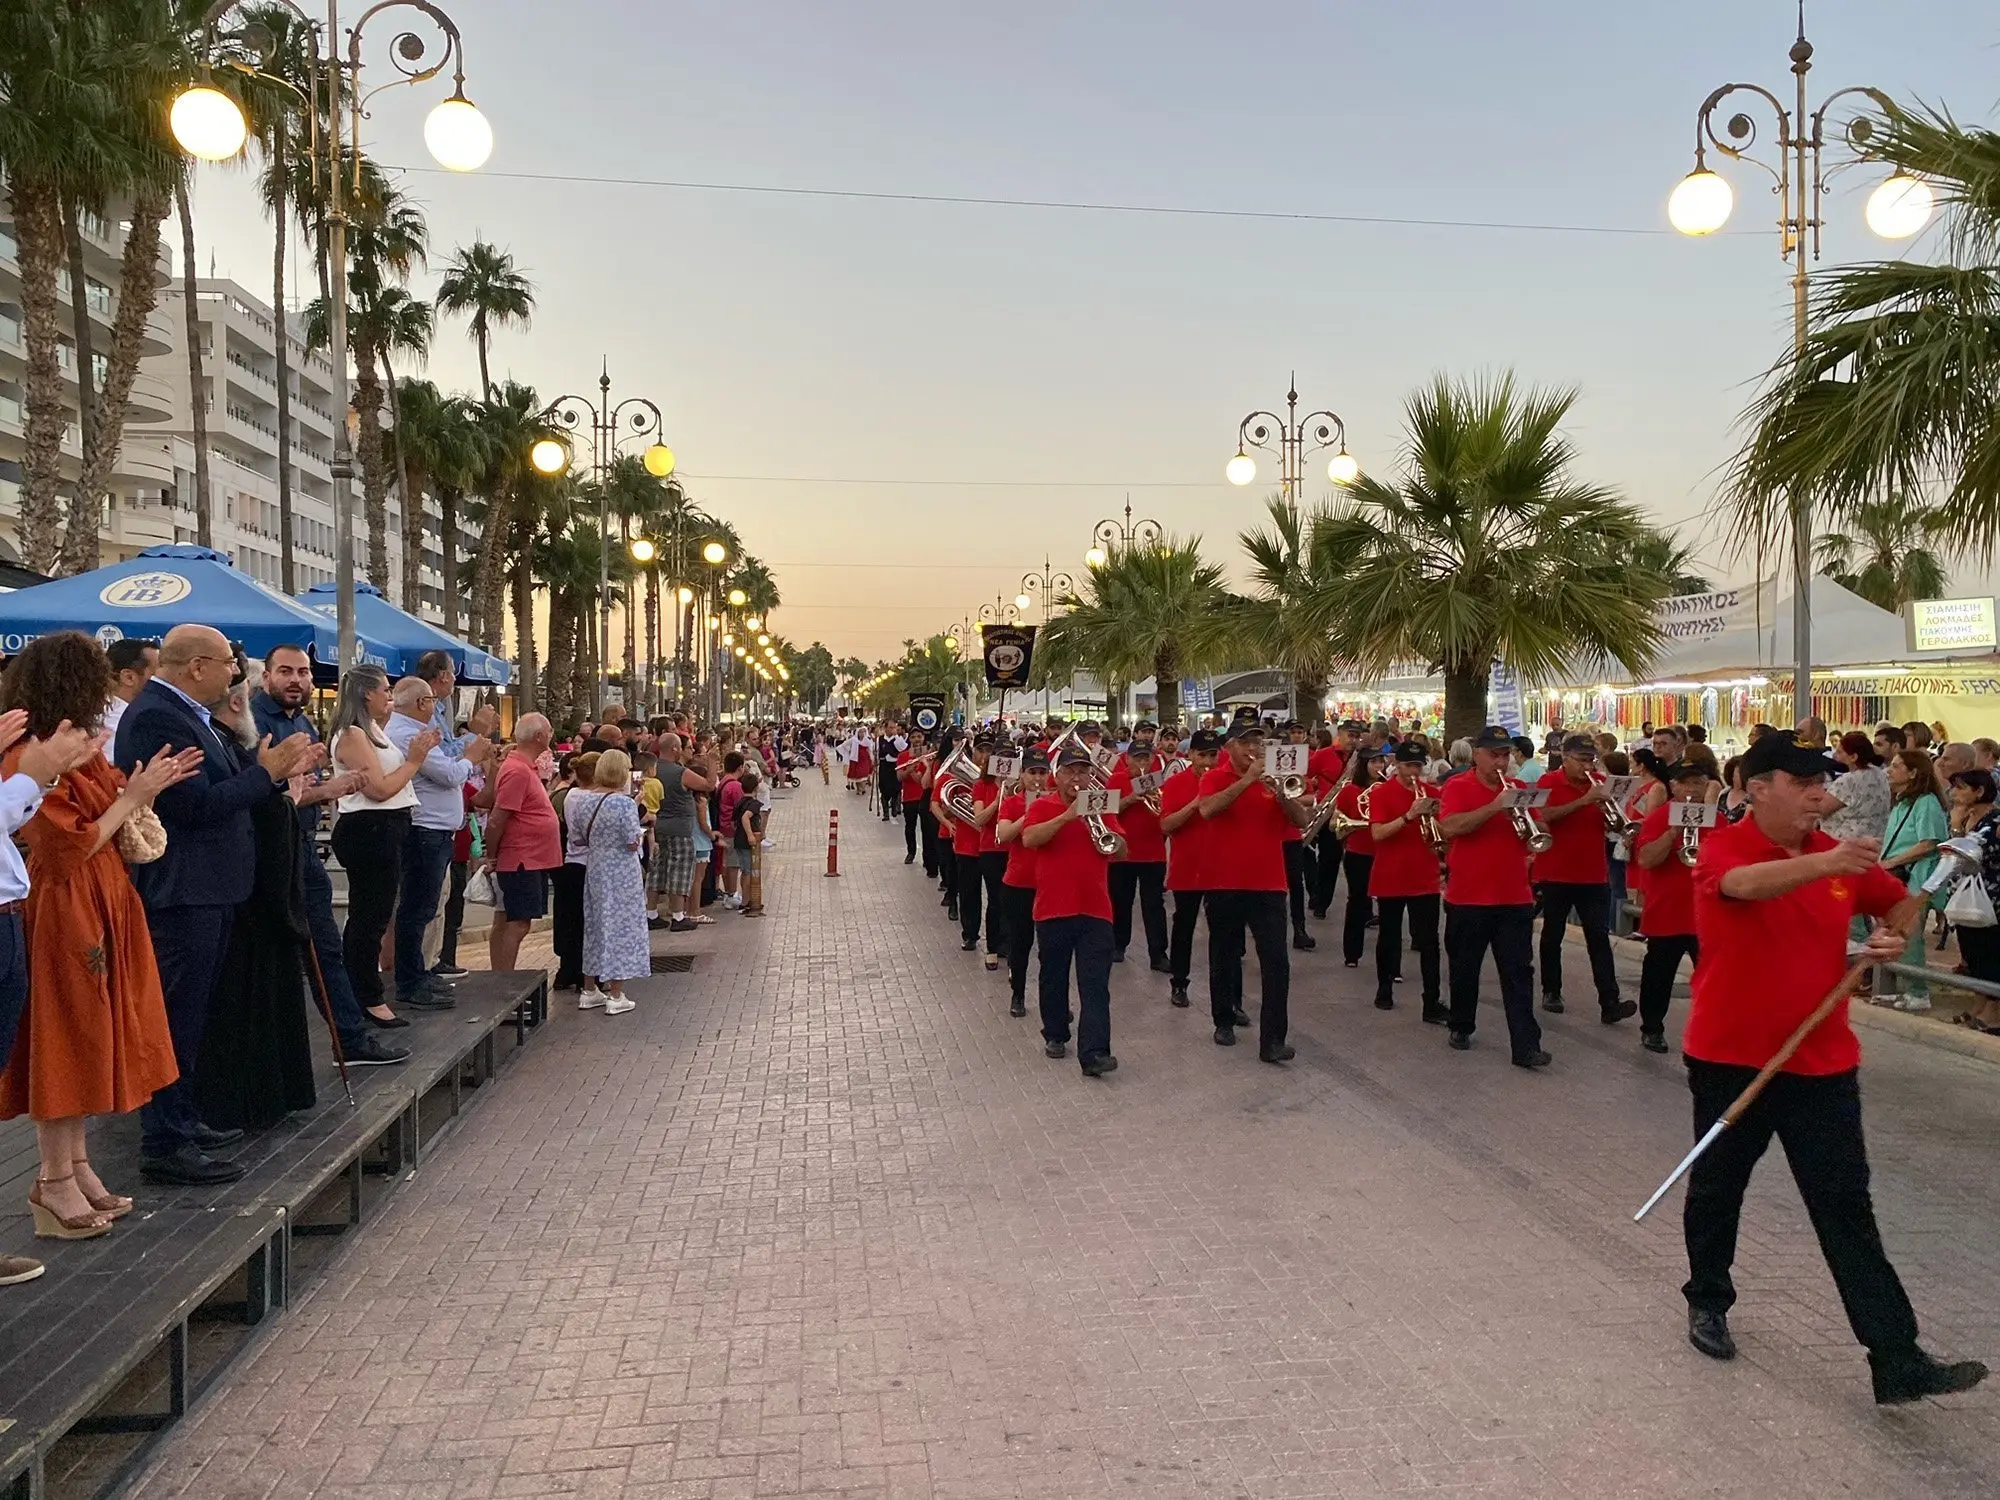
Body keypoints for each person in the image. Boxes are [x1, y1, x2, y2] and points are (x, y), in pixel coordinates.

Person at [1678, 729, 1987, 1404]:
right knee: (1718, 1187)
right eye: (1803, 783)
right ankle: (1708, 1299)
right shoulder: (1727, 847)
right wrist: (1830, 865)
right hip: (1732, 1056)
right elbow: (1743, 886)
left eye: (1823, 781)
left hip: (1822, 1061)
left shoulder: (1835, 854)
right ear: (1759, 790)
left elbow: (1901, 905)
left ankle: (1895, 1357)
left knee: (1845, 1204)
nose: (1821, 794)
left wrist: (1891, 934)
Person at [115, 623, 321, 1185]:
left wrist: (270, 776)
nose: (236, 672)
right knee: (176, 1015)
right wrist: (267, 774)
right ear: (197, 666)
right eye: (228, 662)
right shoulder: (158, 716)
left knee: (194, 1014)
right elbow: (197, 807)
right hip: (185, 891)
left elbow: (224, 789)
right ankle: (165, 1139)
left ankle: (183, 1118)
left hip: (212, 888)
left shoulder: (189, 715)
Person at [1, 641, 182, 1240]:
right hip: (65, 901)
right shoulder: (29, 758)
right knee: (68, 1029)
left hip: (101, 893)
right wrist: (133, 794)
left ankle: (75, 1164)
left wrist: (140, 789)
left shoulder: (75, 750)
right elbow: (68, 845)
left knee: (93, 1026)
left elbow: (111, 819)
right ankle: (53, 1177)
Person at [250, 646, 406, 1065]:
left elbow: (301, 789)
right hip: (266, 856)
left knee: (326, 947)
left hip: (301, 849)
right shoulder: (252, 724)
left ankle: (350, 1039)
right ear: (266, 677)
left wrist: (321, 790)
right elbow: (264, 795)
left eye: (302, 672)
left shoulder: (300, 721)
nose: (296, 680)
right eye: (285, 671)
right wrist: (327, 791)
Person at [192, 669, 319, 1132]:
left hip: (254, 890)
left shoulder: (232, 742)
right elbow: (217, 803)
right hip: (232, 893)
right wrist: (277, 783)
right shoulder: (221, 741)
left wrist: (285, 789)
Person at [1198, 721, 1314, 1063]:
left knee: (1277, 962)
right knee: (1224, 954)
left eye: (1259, 741)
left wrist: (1283, 794)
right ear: (1230, 746)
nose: (1254, 748)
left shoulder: (1275, 778)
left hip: (1268, 883)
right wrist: (1247, 781)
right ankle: (1223, 1020)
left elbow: (1301, 821)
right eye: (1247, 742)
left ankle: (1273, 1041)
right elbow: (1207, 809)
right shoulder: (1214, 777)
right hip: (1223, 882)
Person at [329, 666, 439, 1020]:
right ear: (366, 694)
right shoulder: (353, 734)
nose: (390, 699)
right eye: (386, 691)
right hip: (369, 828)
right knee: (369, 918)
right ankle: (366, 996)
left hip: (387, 827)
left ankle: (364, 994)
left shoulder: (374, 731)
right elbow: (378, 789)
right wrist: (414, 761)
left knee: (375, 914)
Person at [1436, 725, 1549, 1068]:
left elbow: (1540, 830)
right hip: (1468, 896)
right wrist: (1493, 808)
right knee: (1465, 968)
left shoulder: (1518, 789)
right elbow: (1450, 827)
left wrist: (1535, 826)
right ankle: (1461, 1025)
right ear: (1478, 755)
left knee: (1519, 973)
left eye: (1506, 755)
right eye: (1495, 755)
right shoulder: (1457, 786)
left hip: (1514, 895)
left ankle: (1526, 1046)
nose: (1502, 762)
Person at [1021, 743, 1127, 1076]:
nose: (1077, 778)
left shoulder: (1101, 806)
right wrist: (1068, 816)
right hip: (1053, 907)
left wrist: (1108, 832)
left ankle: (1094, 1053)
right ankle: (1055, 1032)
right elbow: (1029, 839)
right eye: (1070, 771)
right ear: (1058, 775)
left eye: (1083, 771)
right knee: (1053, 976)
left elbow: (1121, 852)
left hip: (1096, 908)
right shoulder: (1042, 805)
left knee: (1095, 983)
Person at [385, 676, 486, 1012]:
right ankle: (410, 980)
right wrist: (471, 756)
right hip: (424, 829)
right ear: (422, 703)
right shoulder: (407, 733)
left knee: (424, 907)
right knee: (417, 908)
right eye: (432, 702)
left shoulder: (412, 730)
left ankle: (418, 973)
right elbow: (448, 774)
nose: (436, 708)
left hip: (435, 830)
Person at [1533, 734, 1633, 1023]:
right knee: (1553, 934)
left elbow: (1613, 824)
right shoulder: (1548, 782)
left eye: (1591, 759)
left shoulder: (1601, 781)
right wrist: (1585, 800)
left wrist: (1612, 814)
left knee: (1598, 937)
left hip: (1592, 873)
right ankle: (1551, 990)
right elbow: (1544, 816)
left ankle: (1609, 1001)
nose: (1588, 766)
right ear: (1565, 759)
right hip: (1556, 871)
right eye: (1582, 760)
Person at [1632, 760, 1711, 1053]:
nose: (1691, 789)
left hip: (1706, 915)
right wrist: (1672, 833)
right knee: (1658, 977)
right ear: (1673, 786)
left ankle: (1711, 1031)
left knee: (1714, 979)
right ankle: (1652, 1028)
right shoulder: (1659, 817)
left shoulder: (1717, 818)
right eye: (1685, 782)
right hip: (1667, 913)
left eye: (1698, 782)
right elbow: (1646, 860)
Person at [566, 750, 647, 1015]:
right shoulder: (624, 803)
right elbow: (632, 841)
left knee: (596, 924)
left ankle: (589, 989)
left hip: (596, 868)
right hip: (622, 871)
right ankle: (616, 993)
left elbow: (577, 838)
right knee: (621, 927)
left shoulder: (584, 801)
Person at [1366, 742, 1443, 1019]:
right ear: (1396, 765)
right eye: (1409, 765)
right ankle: (1384, 989)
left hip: (1425, 876)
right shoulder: (1382, 793)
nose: (1414, 771)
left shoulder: (1433, 794)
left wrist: (1437, 822)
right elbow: (1377, 834)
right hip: (1392, 875)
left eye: (1418, 766)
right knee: (1389, 936)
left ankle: (1432, 1002)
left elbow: (1443, 835)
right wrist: (1409, 816)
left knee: (1429, 942)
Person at [481, 714, 561, 972]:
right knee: (518, 922)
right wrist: (491, 856)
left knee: (506, 918)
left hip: (529, 856)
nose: (551, 735)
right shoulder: (517, 770)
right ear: (539, 736)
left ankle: (500, 978)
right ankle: (505, 981)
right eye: (548, 731)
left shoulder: (523, 768)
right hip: (522, 858)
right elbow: (497, 818)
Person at [1875, 750, 1949, 1012]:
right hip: (1898, 875)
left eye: (1896, 766)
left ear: (1913, 772)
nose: (1889, 770)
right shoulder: (1902, 802)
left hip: (1915, 877)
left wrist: (1892, 863)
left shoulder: (1926, 802)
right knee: (1895, 932)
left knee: (1910, 934)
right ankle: (1898, 987)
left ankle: (1918, 992)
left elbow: (1929, 843)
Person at [1159, 729, 1220, 1009]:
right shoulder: (1175, 784)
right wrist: (1196, 803)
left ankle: (1229, 997)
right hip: (1187, 868)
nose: (1208, 760)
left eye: (1212, 755)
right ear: (1191, 755)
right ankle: (1179, 984)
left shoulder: (1226, 782)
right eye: (1203, 754)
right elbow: (1166, 825)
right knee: (1184, 928)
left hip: (1220, 867)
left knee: (1223, 936)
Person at [1938, 769, 2000, 1033]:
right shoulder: (1965, 819)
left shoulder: (1995, 820)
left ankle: (1994, 1013)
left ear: (1979, 791)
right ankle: (1978, 1004)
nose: (1955, 793)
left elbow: (1969, 851)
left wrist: (1955, 826)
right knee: (1971, 954)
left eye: (1962, 788)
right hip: (1962, 895)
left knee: (1990, 954)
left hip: (1989, 896)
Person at [994, 749, 1049, 1018]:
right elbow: (1003, 835)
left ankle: (1053, 1000)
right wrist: (1030, 813)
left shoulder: (1058, 802)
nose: (1037, 778)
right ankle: (1018, 993)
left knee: (1050, 948)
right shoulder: (1012, 802)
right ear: (1022, 775)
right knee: (1021, 943)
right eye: (1032, 773)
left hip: (1050, 884)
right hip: (1018, 883)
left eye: (1042, 773)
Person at [1106, 735, 1168, 971]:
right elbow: (1108, 809)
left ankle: (1158, 953)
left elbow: (1164, 810)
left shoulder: (1158, 781)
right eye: (1137, 758)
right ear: (1127, 759)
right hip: (1122, 853)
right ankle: (1118, 945)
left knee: (1154, 905)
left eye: (1147, 757)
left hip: (1153, 852)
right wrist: (1131, 799)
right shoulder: (1116, 779)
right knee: (1121, 902)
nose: (1142, 762)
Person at [649, 732, 713, 933]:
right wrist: (712, 762)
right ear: (675, 748)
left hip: (657, 827)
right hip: (680, 829)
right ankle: (678, 916)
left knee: (656, 871)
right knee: (679, 872)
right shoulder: (680, 773)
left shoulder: (652, 769)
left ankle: (650, 914)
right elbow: (709, 785)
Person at [549, 751, 597, 992]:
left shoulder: (569, 796)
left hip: (569, 861)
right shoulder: (594, 799)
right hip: (589, 863)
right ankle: (586, 974)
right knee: (587, 920)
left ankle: (567, 969)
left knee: (569, 917)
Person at [1333, 747, 1384, 967]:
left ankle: (1389, 960)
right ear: (1363, 765)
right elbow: (1337, 822)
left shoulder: (1386, 789)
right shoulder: (1349, 791)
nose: (1378, 767)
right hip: (1358, 851)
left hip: (1383, 850)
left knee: (1388, 905)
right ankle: (1352, 953)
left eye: (1381, 762)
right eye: (1373, 762)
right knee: (1357, 901)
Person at [1823, 732, 1890, 845]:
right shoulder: (1880, 774)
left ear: (1853, 757)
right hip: (1876, 842)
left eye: (1839, 752)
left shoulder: (1849, 781)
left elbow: (1821, 809)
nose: (1835, 756)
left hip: (1846, 845)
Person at [101, 637, 158, 739]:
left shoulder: (95, 713)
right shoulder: (125, 725)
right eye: (157, 675)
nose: (163, 682)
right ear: (129, 677)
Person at [735, 768, 768, 915]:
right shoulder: (753, 804)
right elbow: (744, 818)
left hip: (738, 840)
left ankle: (744, 899)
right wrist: (750, 835)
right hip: (748, 841)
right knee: (749, 871)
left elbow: (733, 821)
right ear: (756, 787)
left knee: (745, 870)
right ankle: (746, 901)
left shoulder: (739, 802)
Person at [896, 728, 931, 865]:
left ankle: (927, 857)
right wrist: (910, 768)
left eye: (919, 736)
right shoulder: (902, 756)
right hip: (909, 798)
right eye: (914, 737)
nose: (917, 739)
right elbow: (899, 777)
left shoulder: (929, 755)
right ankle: (911, 852)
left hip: (924, 797)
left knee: (926, 829)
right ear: (909, 739)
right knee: (910, 827)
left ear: (923, 737)